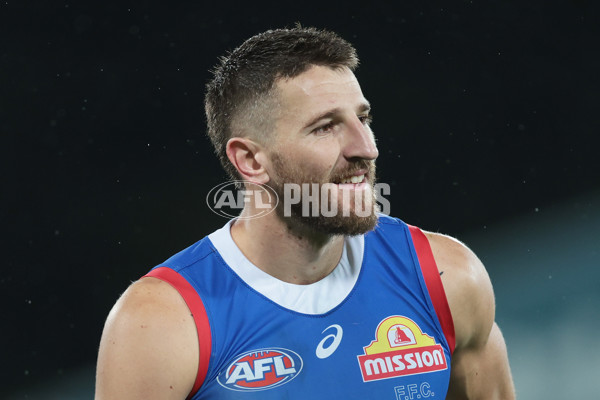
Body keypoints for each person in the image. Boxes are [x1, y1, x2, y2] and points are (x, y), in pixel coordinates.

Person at [95, 27, 515, 399]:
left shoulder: (446, 278)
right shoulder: (160, 323)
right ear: (251, 161)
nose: (365, 147)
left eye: (363, 118)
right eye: (325, 126)